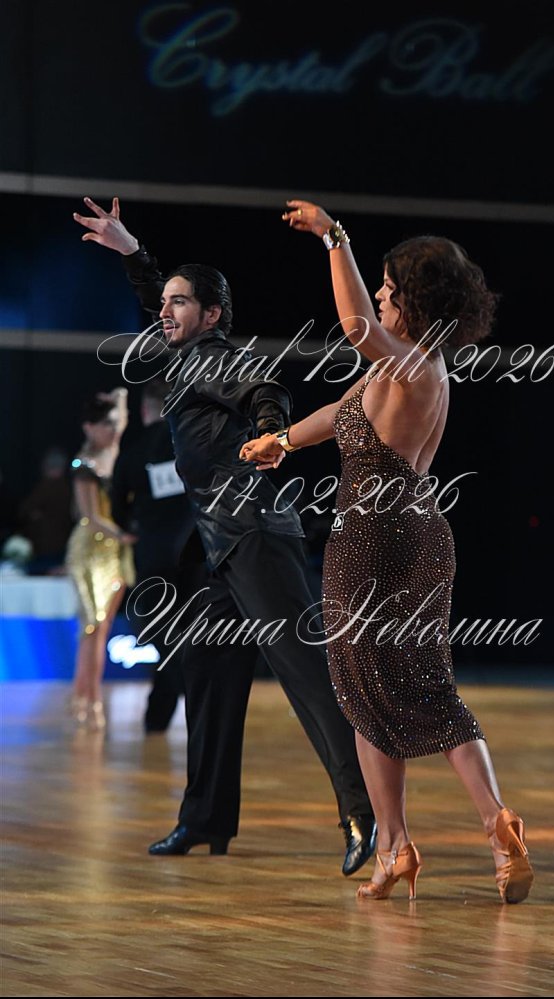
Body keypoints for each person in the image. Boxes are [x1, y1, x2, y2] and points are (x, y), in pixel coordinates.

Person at [240, 200, 535, 904]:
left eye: (389, 287)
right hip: (420, 534)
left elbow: (353, 327)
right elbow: (339, 413)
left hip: (373, 540)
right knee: (422, 689)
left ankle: (403, 842)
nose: (377, 294)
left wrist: (333, 237)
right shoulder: (404, 371)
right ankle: (480, 828)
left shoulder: (411, 364)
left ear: (416, 302)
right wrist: (283, 441)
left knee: (366, 694)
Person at [72, 197, 376, 873]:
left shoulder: (211, 357)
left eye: (181, 303)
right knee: (206, 672)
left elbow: (265, 388)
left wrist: (270, 432)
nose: (166, 310)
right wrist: (131, 250)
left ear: (211, 315)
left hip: (254, 535)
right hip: (218, 549)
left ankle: (362, 810)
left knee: (305, 675)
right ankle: (205, 817)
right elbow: (156, 297)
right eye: (165, 302)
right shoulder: (184, 358)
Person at [111, 377, 196, 732]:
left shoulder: (133, 452)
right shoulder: (190, 446)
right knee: (183, 633)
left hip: (154, 556)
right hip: (196, 554)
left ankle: (177, 699)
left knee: (158, 632)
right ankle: (162, 713)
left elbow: (117, 507)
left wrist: (132, 527)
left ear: (145, 409)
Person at [65, 389, 137, 730]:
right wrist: (124, 535)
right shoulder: (84, 465)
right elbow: (90, 516)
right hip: (90, 550)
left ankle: (87, 696)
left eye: (113, 424)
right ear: (88, 428)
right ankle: (87, 698)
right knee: (92, 625)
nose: (111, 429)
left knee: (103, 627)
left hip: (114, 552)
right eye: (104, 424)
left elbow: (121, 422)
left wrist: (120, 396)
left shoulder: (113, 454)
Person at [19, 446, 73, 575]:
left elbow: (25, 510)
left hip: (46, 546)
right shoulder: (69, 488)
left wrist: (37, 516)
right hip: (65, 544)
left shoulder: (46, 487)